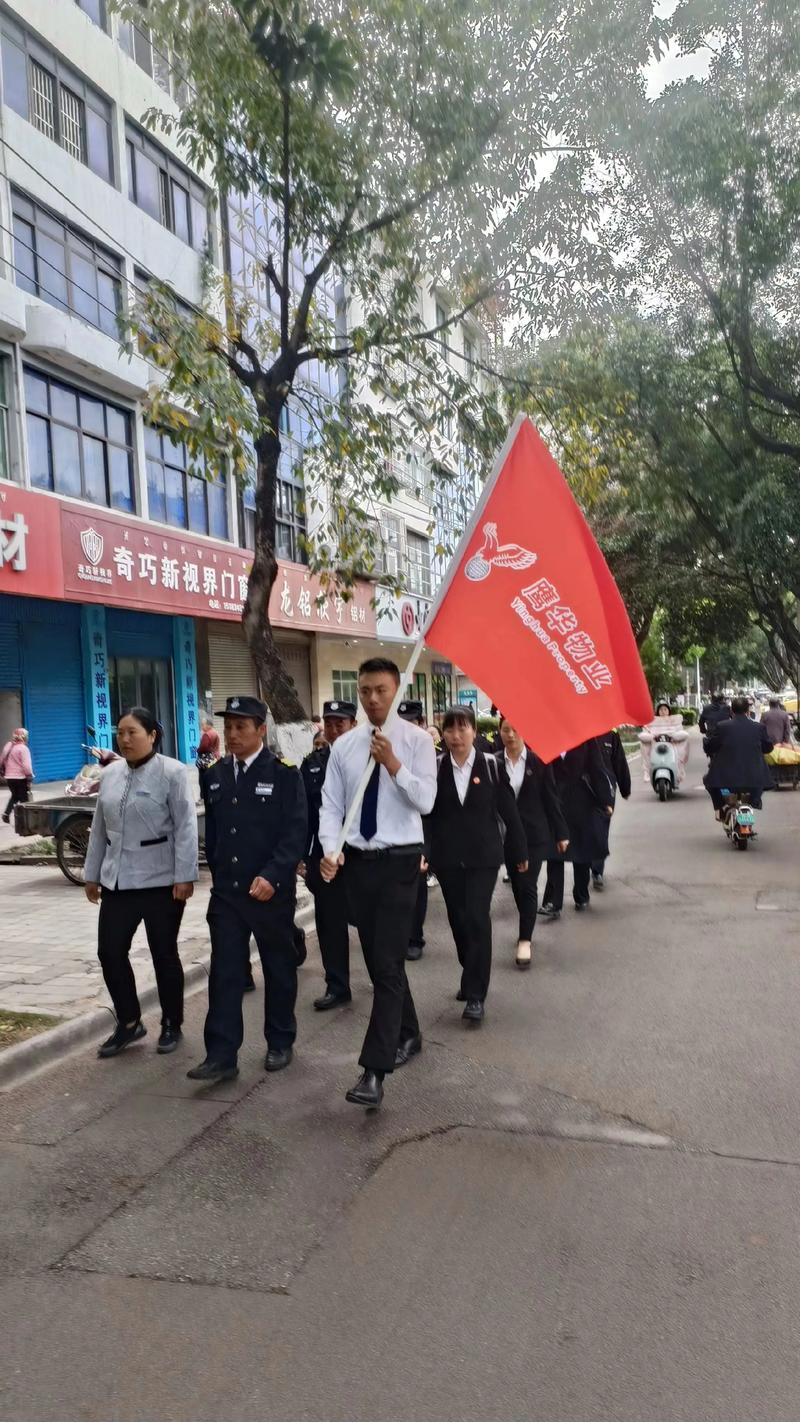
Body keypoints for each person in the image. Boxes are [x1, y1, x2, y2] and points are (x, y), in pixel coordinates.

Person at [319, 657, 436, 1109]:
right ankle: (409, 1031)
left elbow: (426, 801)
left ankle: (374, 1071)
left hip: (400, 862)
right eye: (365, 690)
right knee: (380, 962)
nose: (372, 698)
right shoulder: (344, 746)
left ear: (397, 689)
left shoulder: (417, 741)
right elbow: (331, 805)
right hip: (359, 865)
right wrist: (331, 849)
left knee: (386, 966)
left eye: (381, 690)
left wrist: (393, 764)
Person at [187, 695, 307, 1084]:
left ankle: (280, 1040)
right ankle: (221, 1054)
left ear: (260, 729)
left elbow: (295, 833)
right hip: (228, 894)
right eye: (229, 727)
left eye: (241, 727)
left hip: (270, 893)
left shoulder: (284, 773)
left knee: (278, 967)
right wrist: (218, 875)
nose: (233, 734)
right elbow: (218, 834)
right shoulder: (217, 773)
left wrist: (273, 876)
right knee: (225, 972)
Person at [83, 707, 198, 1058]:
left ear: (152, 735)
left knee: (164, 953)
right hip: (118, 881)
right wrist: (92, 873)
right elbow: (100, 828)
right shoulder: (112, 773)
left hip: (162, 882)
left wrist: (184, 875)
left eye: (133, 732)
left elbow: (186, 827)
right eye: (121, 732)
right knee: (110, 952)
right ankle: (129, 1022)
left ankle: (171, 1023)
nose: (126, 738)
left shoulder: (173, 772)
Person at [425, 706, 527, 1023]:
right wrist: (425, 851)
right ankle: (470, 970)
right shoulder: (436, 767)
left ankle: (475, 994)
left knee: (477, 917)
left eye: (462, 729)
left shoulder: (492, 766)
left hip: (484, 857)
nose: (456, 736)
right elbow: (428, 815)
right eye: (449, 729)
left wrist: (519, 852)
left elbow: (510, 813)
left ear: (474, 731)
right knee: (457, 919)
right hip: (448, 858)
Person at [495, 718, 569, 967]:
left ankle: (524, 939)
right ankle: (526, 919)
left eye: (516, 729)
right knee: (517, 884)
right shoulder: (493, 763)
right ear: (500, 732)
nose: (511, 735)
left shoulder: (539, 762)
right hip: (506, 837)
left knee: (527, 885)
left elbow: (551, 799)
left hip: (534, 835)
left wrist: (561, 833)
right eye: (506, 730)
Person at [301, 699, 358, 1011]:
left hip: (362, 855)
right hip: (324, 857)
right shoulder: (312, 763)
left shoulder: (368, 760)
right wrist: (302, 855)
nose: (335, 729)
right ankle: (337, 984)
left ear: (353, 725)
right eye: (330, 722)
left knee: (372, 920)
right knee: (329, 921)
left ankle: (385, 979)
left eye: (341, 723)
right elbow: (304, 814)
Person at [541, 739, 614, 918]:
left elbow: (598, 769)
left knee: (581, 851)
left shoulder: (586, 740)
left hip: (582, 800)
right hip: (555, 800)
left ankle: (581, 895)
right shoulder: (547, 739)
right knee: (554, 852)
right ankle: (553, 902)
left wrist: (606, 800)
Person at [395, 699, 430, 962]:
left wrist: (428, 848)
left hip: (420, 835)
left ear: (422, 724)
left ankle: (415, 937)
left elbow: (431, 806)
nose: (407, 728)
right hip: (394, 835)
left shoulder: (429, 753)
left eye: (412, 723)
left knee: (416, 890)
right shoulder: (387, 752)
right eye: (402, 723)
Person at [703, 695, 774, 816]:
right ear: (748, 711)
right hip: (755, 779)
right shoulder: (759, 728)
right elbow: (768, 748)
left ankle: (721, 807)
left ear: (731, 711)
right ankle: (755, 800)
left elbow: (710, 746)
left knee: (708, 781)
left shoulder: (722, 727)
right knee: (759, 783)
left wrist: (708, 745)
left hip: (726, 779)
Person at [591, 728, 632, 890]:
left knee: (601, 830)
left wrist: (625, 788)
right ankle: (586, 866)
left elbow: (619, 762)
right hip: (582, 789)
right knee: (586, 830)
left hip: (606, 791)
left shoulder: (611, 735)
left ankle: (597, 871)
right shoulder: (577, 731)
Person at [638, 702, 690, 784]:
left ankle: (678, 772)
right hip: (655, 746)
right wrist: (652, 736)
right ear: (658, 711)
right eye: (661, 709)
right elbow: (645, 733)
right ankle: (647, 772)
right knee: (644, 744)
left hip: (672, 745)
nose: (663, 711)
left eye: (665, 709)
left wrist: (673, 736)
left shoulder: (674, 721)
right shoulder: (652, 722)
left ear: (669, 711)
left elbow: (682, 733)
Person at [1, 728, 32, 825]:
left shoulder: (9, 746)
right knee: (24, 800)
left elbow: (2, 759)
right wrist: (29, 776)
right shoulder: (23, 748)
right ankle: (25, 823)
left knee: (15, 796)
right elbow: (26, 765)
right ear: (24, 737)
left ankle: (6, 813)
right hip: (20, 778)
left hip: (9, 778)